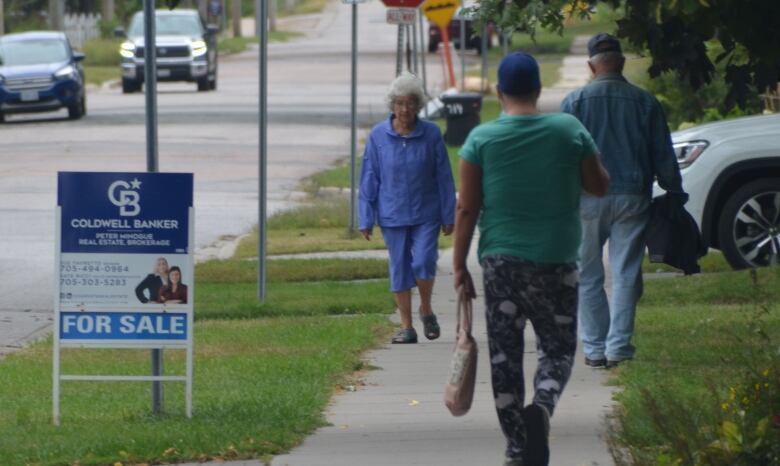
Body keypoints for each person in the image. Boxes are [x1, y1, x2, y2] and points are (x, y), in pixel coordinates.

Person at [453, 52, 609, 466]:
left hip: (501, 264)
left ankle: (517, 448)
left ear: (499, 92)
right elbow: (598, 186)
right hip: (556, 261)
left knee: (504, 355)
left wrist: (458, 266)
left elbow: (466, 209)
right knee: (557, 350)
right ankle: (542, 406)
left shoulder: (480, 141)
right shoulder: (568, 130)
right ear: (538, 90)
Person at [560, 33, 686, 369]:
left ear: (591, 66)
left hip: (587, 198)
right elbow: (663, 154)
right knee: (626, 271)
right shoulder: (644, 102)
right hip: (632, 196)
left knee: (587, 275)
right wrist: (674, 190)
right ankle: (618, 347)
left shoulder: (574, 104)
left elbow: (562, 156)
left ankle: (595, 348)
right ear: (622, 62)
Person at [359, 72, 456, 344]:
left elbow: (444, 177)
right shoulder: (378, 136)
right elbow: (369, 177)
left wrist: (449, 214)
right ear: (392, 105)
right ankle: (407, 326)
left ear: (418, 105)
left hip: (426, 211)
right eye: (399, 103)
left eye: (410, 103)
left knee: (424, 262)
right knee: (400, 267)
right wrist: (365, 217)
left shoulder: (431, 134)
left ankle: (425, 308)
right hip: (391, 213)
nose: (404, 109)